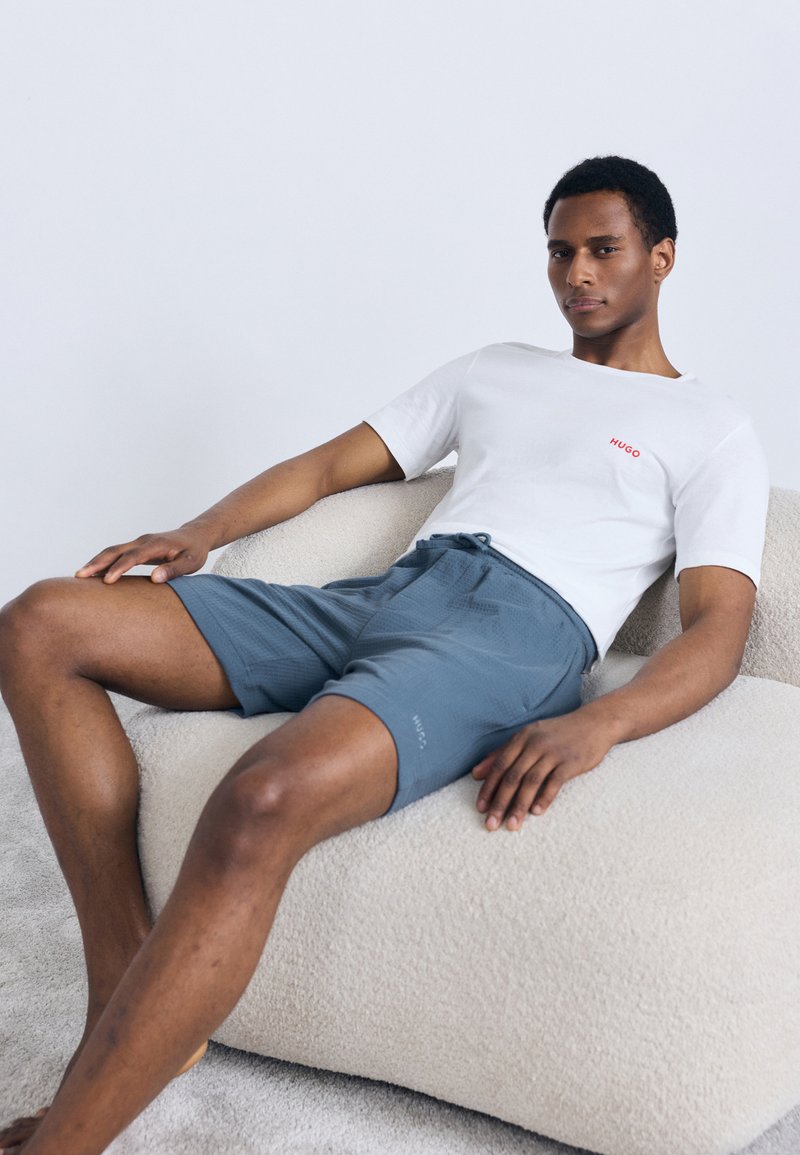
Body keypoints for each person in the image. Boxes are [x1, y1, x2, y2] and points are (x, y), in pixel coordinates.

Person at [0, 154, 769, 1154]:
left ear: (659, 258)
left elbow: (717, 628)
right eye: (558, 251)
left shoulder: (709, 428)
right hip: (387, 594)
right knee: (40, 625)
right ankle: (126, 977)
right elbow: (330, 463)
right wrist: (200, 533)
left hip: (510, 635)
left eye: (602, 249)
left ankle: (69, 1137)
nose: (575, 273)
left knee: (261, 797)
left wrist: (596, 724)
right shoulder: (493, 368)